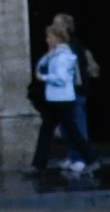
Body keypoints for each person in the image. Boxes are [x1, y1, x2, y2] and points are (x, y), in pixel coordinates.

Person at [31, 12, 95, 186]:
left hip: (70, 95)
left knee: (74, 128)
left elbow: (63, 75)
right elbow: (43, 64)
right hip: (60, 97)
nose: (48, 37)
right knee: (60, 130)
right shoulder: (56, 52)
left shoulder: (69, 49)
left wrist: (43, 77)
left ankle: (84, 158)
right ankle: (45, 163)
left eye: (56, 26)